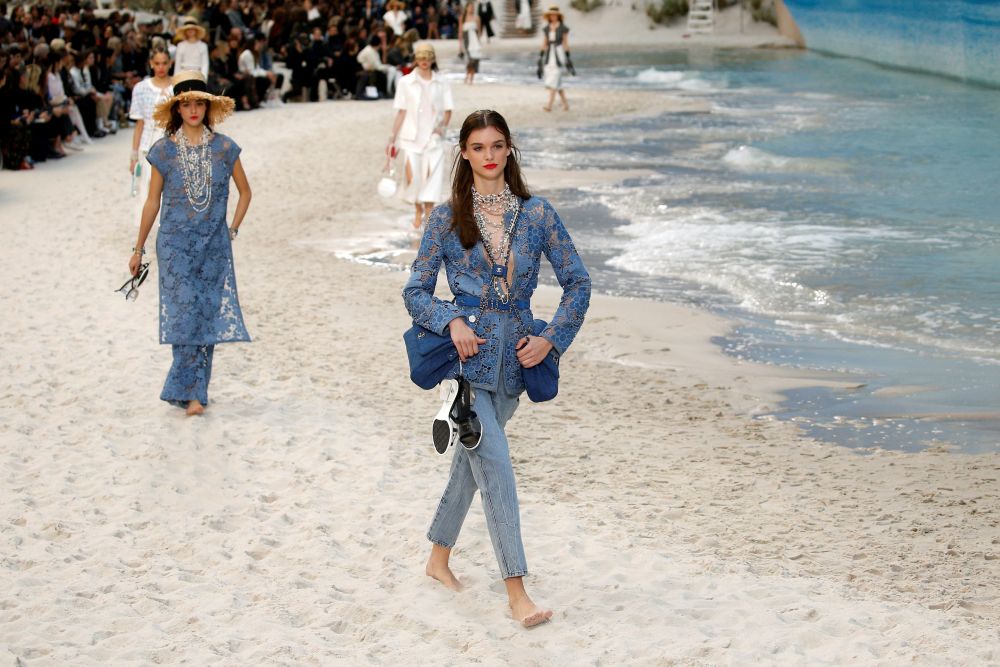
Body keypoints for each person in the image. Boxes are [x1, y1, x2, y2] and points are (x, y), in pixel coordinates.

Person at [402, 109, 591, 627]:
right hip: (466, 365)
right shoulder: (446, 218)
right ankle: (517, 592)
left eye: (497, 145)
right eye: (478, 147)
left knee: (474, 466)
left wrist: (551, 339)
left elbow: (579, 284)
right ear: (464, 154)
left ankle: (437, 559)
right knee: (498, 469)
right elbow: (415, 292)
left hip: (517, 368)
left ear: (509, 150)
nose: (489, 155)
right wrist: (450, 321)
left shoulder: (538, 214)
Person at [127, 70, 251, 416]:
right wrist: (138, 248)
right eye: (186, 104)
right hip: (174, 245)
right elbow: (152, 202)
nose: (193, 109)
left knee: (206, 315)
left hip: (214, 245)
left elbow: (246, 192)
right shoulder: (163, 151)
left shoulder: (224, 148)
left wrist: (232, 230)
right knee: (184, 315)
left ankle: (193, 389)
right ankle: (191, 394)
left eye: (199, 103)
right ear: (177, 109)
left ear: (207, 107)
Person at [387, 41, 453, 229]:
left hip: (434, 138)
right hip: (410, 138)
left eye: (428, 57)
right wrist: (392, 137)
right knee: (413, 178)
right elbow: (401, 111)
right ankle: (418, 211)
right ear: (415, 59)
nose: (424, 61)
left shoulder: (442, 82)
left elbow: (448, 109)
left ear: (433, 59)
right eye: (421, 57)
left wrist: (441, 128)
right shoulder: (405, 82)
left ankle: (429, 214)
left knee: (432, 177)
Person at [129, 46, 173, 226]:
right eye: (157, 63)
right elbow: (139, 124)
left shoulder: (178, 87)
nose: (161, 67)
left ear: (170, 63)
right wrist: (134, 156)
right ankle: (145, 226)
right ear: (151, 64)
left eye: (164, 63)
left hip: (172, 142)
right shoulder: (141, 88)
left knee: (171, 186)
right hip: (148, 142)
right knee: (146, 185)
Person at [539, 5, 572, 112]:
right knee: (558, 82)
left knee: (554, 78)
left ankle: (549, 105)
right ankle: (566, 105)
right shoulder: (547, 28)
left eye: (554, 15)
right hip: (549, 54)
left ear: (558, 16)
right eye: (551, 15)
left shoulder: (563, 28)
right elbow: (545, 42)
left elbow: (565, 43)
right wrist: (541, 56)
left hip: (559, 53)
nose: (553, 16)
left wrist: (568, 57)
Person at [457, 1, 481, 85]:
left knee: (475, 59)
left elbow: (479, 32)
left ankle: (471, 78)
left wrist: (479, 43)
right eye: (470, 7)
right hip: (466, 41)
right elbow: (460, 33)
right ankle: (467, 76)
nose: (471, 9)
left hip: (475, 41)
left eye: (472, 7)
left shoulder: (477, 18)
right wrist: (460, 46)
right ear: (466, 8)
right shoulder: (462, 18)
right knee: (470, 59)